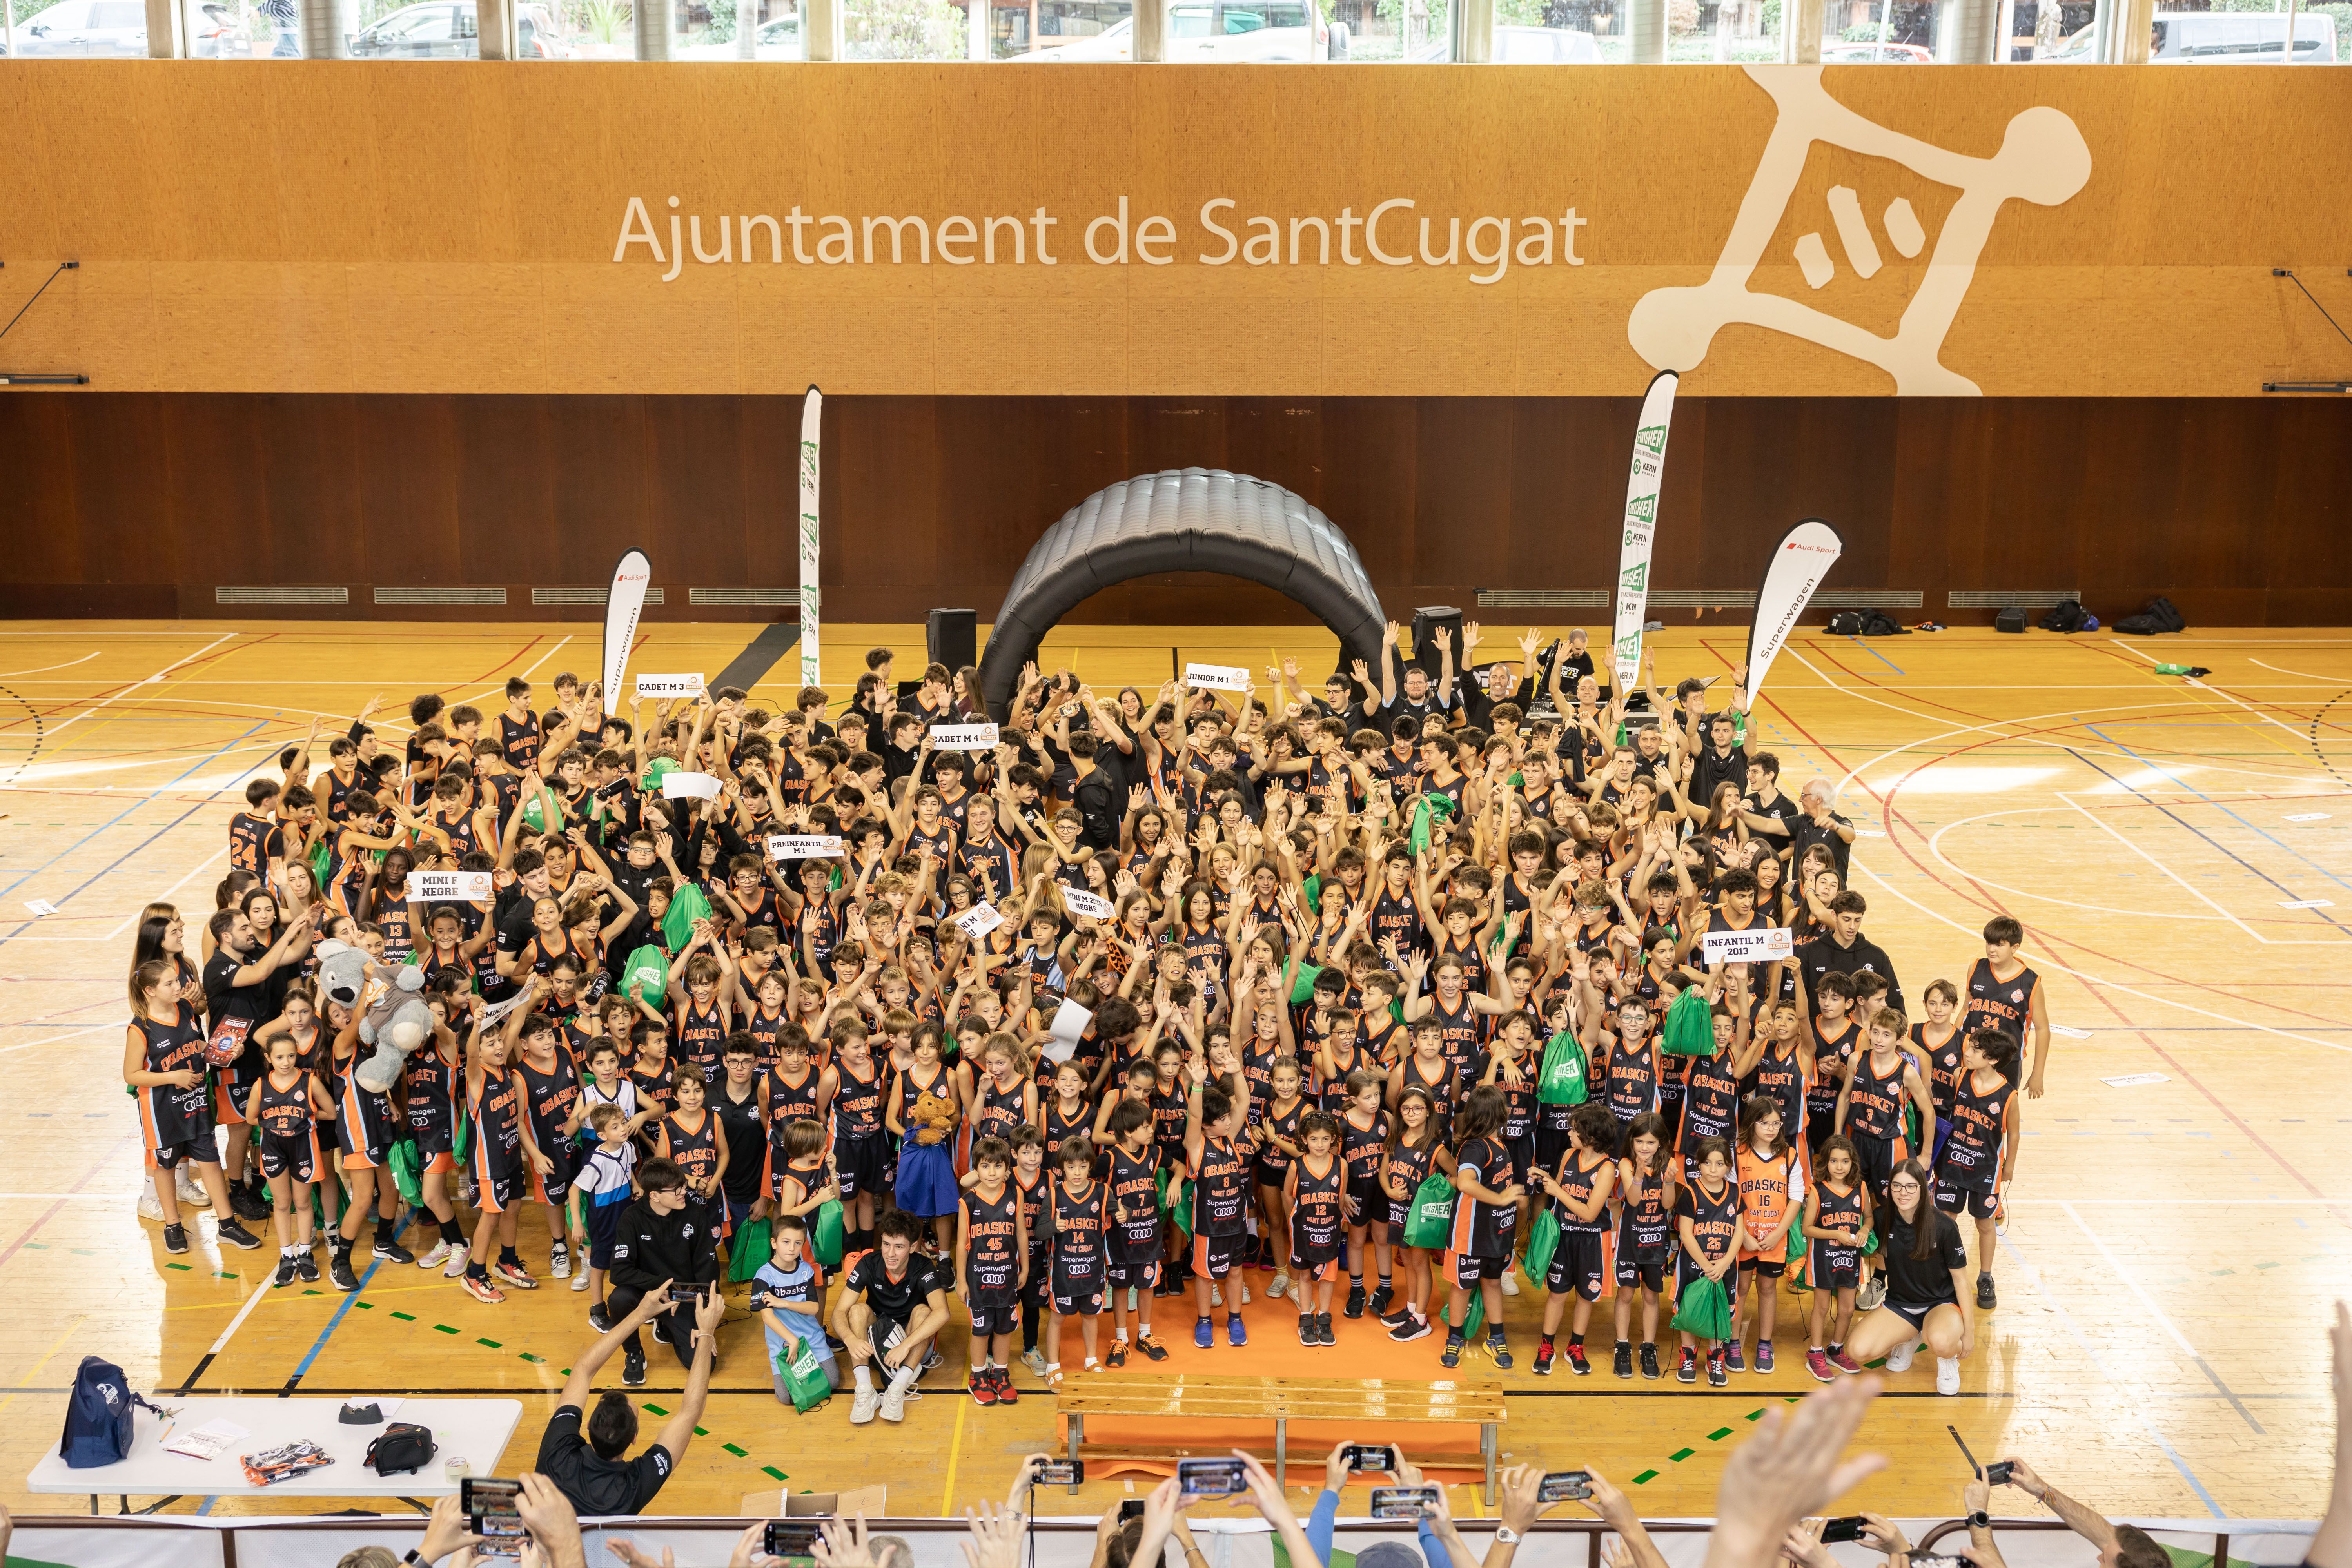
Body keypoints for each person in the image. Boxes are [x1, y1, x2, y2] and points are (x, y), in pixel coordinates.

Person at [535, 1285, 724, 1519]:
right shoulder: (631, 1488)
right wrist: (707, 1333)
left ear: (587, 1426)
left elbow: (583, 1369)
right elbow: (692, 1410)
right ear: (634, 1439)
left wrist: (640, 1314)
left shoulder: (558, 1452)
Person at [1840, 1157, 1975, 1396]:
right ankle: (1909, 1338)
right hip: (1901, 1304)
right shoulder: (1883, 1219)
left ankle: (1947, 1360)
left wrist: (1969, 1333)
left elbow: (1961, 1282)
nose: (1904, 1193)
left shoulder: (1944, 1226)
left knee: (1942, 1342)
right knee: (1857, 1350)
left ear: (1923, 1189)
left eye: (1911, 1186)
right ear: (1889, 1188)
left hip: (1941, 1304)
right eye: (1897, 1186)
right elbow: (1874, 1243)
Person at [605, 1155, 723, 1385]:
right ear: (655, 1195)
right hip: (647, 1292)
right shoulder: (631, 1219)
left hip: (684, 1295)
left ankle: (666, 1326)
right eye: (676, 1189)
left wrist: (703, 1326)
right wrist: (658, 1286)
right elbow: (619, 1272)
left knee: (705, 1365)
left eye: (683, 1185)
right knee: (619, 1299)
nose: (683, 1192)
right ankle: (635, 1354)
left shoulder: (695, 1215)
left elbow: (708, 1273)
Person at [832, 1209, 952, 1425]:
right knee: (857, 1310)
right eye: (886, 1244)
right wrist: (850, 1339)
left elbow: (943, 1313)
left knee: (925, 1312)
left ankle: (898, 1388)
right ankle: (865, 1390)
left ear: (914, 1247)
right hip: (877, 1340)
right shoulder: (869, 1263)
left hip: (913, 1345)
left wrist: (905, 1345)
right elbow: (839, 1312)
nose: (890, 1253)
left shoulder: (924, 1266)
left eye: (899, 1247)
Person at [754, 1212, 839, 1406]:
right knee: (787, 1398)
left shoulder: (806, 1269)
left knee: (833, 1382)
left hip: (811, 1337)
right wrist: (791, 1340)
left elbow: (813, 1308)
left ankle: (810, 1367)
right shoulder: (763, 1276)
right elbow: (768, 1318)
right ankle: (805, 1370)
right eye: (786, 1242)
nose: (792, 1249)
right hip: (783, 1343)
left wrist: (783, 1303)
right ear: (774, 1243)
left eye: (798, 1243)